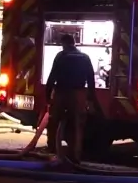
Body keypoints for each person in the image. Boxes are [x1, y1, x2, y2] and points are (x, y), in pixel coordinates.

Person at [44, 34, 102, 162]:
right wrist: (91, 97)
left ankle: (52, 150)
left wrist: (47, 96)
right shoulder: (85, 57)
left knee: (54, 121)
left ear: (64, 44)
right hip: (78, 94)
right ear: (74, 43)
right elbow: (91, 79)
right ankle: (75, 155)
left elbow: (52, 76)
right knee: (77, 125)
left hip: (61, 92)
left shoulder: (61, 56)